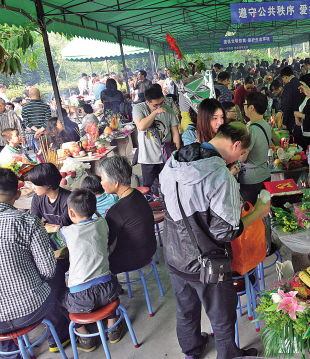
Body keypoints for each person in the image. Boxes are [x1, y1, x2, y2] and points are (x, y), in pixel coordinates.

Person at [159, 122, 270, 359]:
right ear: (236, 145)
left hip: (174, 253)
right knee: (221, 313)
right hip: (207, 262)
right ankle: (228, 354)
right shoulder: (220, 176)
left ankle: (191, 350)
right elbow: (225, 232)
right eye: (241, 154)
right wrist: (258, 212)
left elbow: (165, 200)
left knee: (185, 309)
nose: (239, 159)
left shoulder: (173, 161)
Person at [0, 168, 70, 356]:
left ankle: (11, 351)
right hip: (29, 310)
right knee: (55, 274)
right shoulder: (28, 222)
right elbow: (47, 270)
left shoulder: (65, 198)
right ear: (17, 194)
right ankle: (58, 336)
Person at [58, 189, 123, 351]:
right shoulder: (102, 224)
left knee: (60, 299)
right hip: (108, 291)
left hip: (81, 299)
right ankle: (112, 326)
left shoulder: (66, 232)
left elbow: (57, 240)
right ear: (94, 209)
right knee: (110, 279)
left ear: (71, 212)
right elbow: (101, 222)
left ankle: (84, 336)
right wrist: (95, 213)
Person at [99, 155, 156, 274]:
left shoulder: (116, 211)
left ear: (115, 183)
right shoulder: (137, 194)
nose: (101, 183)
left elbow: (107, 241)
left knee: (98, 261)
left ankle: (113, 289)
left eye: (102, 178)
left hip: (134, 259)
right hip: (150, 249)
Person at [133, 85, 180, 196]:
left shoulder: (168, 110)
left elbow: (175, 133)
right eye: (155, 105)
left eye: (161, 103)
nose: (160, 106)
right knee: (149, 190)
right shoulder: (139, 108)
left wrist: (176, 153)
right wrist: (155, 113)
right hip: (147, 158)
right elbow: (141, 126)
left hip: (166, 158)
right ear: (147, 102)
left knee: (168, 188)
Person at [238, 92, 272, 204]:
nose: (244, 106)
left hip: (251, 180)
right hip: (265, 175)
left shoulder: (251, 131)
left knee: (251, 215)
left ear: (251, 107)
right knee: (263, 210)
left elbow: (242, 158)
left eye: (245, 104)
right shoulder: (266, 124)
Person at [28, 162, 72, 227]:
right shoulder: (37, 197)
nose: (32, 187)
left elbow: (65, 227)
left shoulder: (69, 200)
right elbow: (34, 221)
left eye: (35, 184)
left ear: (48, 185)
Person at [293, 74, 310, 149]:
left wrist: (301, 115)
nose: (300, 90)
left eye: (302, 87)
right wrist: (297, 117)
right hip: (302, 131)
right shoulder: (305, 96)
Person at [279, 66, 303, 132]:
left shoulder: (288, 86)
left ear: (285, 77)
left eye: (282, 78)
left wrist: (285, 121)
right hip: (301, 116)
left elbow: (286, 105)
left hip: (291, 118)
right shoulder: (300, 83)